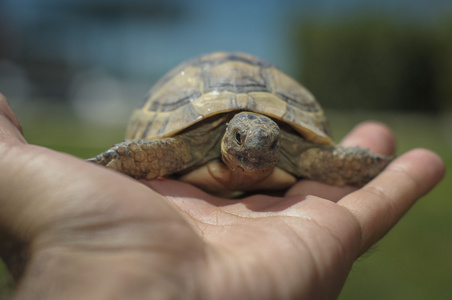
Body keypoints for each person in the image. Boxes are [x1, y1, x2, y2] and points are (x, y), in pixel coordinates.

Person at [0, 93, 445, 299]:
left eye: (267, 146)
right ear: (226, 136)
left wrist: (364, 166)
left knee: (325, 162)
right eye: (240, 141)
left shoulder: (294, 151)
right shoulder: (182, 145)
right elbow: (133, 155)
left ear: (277, 141)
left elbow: (327, 159)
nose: (252, 154)